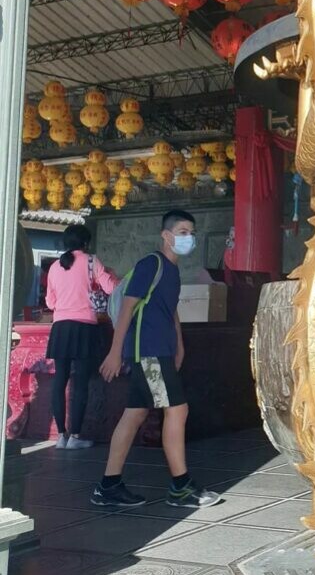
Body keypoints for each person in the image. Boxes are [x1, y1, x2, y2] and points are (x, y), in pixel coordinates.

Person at [91, 210, 220, 509]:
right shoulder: (152, 263)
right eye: (183, 232)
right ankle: (181, 487)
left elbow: (170, 310)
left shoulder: (172, 271)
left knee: (134, 414)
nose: (189, 238)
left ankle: (108, 485)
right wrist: (115, 351)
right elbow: (127, 307)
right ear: (166, 235)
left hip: (159, 350)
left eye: (192, 233)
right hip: (147, 352)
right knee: (178, 409)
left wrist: (179, 344)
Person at [46, 224, 119, 449]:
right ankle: (75, 437)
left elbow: (50, 302)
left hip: (60, 328)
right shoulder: (91, 261)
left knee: (60, 380)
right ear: (86, 243)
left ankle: (61, 436)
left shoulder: (55, 267)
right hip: (84, 328)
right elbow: (111, 289)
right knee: (80, 383)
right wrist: (111, 275)